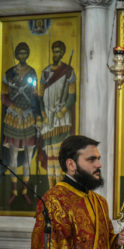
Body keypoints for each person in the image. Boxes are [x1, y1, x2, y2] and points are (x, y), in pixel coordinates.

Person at [1, 42, 41, 205]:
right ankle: (14, 191)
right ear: (17, 55)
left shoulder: (32, 72)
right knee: (12, 158)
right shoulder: (9, 73)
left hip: (28, 118)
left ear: (28, 54)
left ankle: (25, 191)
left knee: (28, 160)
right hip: (13, 118)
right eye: (20, 53)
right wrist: (14, 107)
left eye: (25, 53)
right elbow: (3, 96)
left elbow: (35, 97)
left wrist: (38, 117)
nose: (22, 56)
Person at [39, 40, 77, 188]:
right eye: (55, 51)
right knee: (50, 155)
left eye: (59, 52)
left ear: (62, 53)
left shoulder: (68, 71)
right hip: (48, 117)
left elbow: (72, 96)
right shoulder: (45, 72)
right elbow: (40, 96)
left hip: (61, 117)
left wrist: (63, 110)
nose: (57, 54)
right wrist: (43, 113)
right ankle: (51, 189)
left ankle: (59, 189)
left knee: (59, 155)